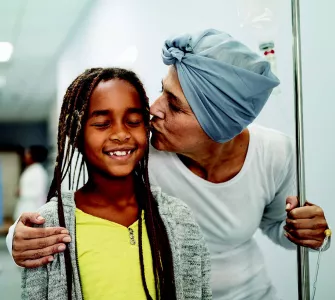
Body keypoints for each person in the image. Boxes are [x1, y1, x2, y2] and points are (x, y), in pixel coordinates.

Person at [7, 29, 330, 299]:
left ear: (217, 124)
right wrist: (18, 239)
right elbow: (69, 212)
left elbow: (278, 227)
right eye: (163, 90)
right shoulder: (134, 153)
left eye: (174, 105)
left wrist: (305, 231)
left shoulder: (275, 152)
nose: (154, 108)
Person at [20, 68, 211, 300]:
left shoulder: (178, 217)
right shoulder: (51, 226)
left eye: (133, 121)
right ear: (76, 133)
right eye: (102, 124)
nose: (121, 134)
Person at [13, 145, 49, 221]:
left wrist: (22, 192)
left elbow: (39, 192)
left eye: (28, 153)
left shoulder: (38, 171)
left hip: (32, 207)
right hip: (25, 205)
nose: (26, 155)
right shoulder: (31, 169)